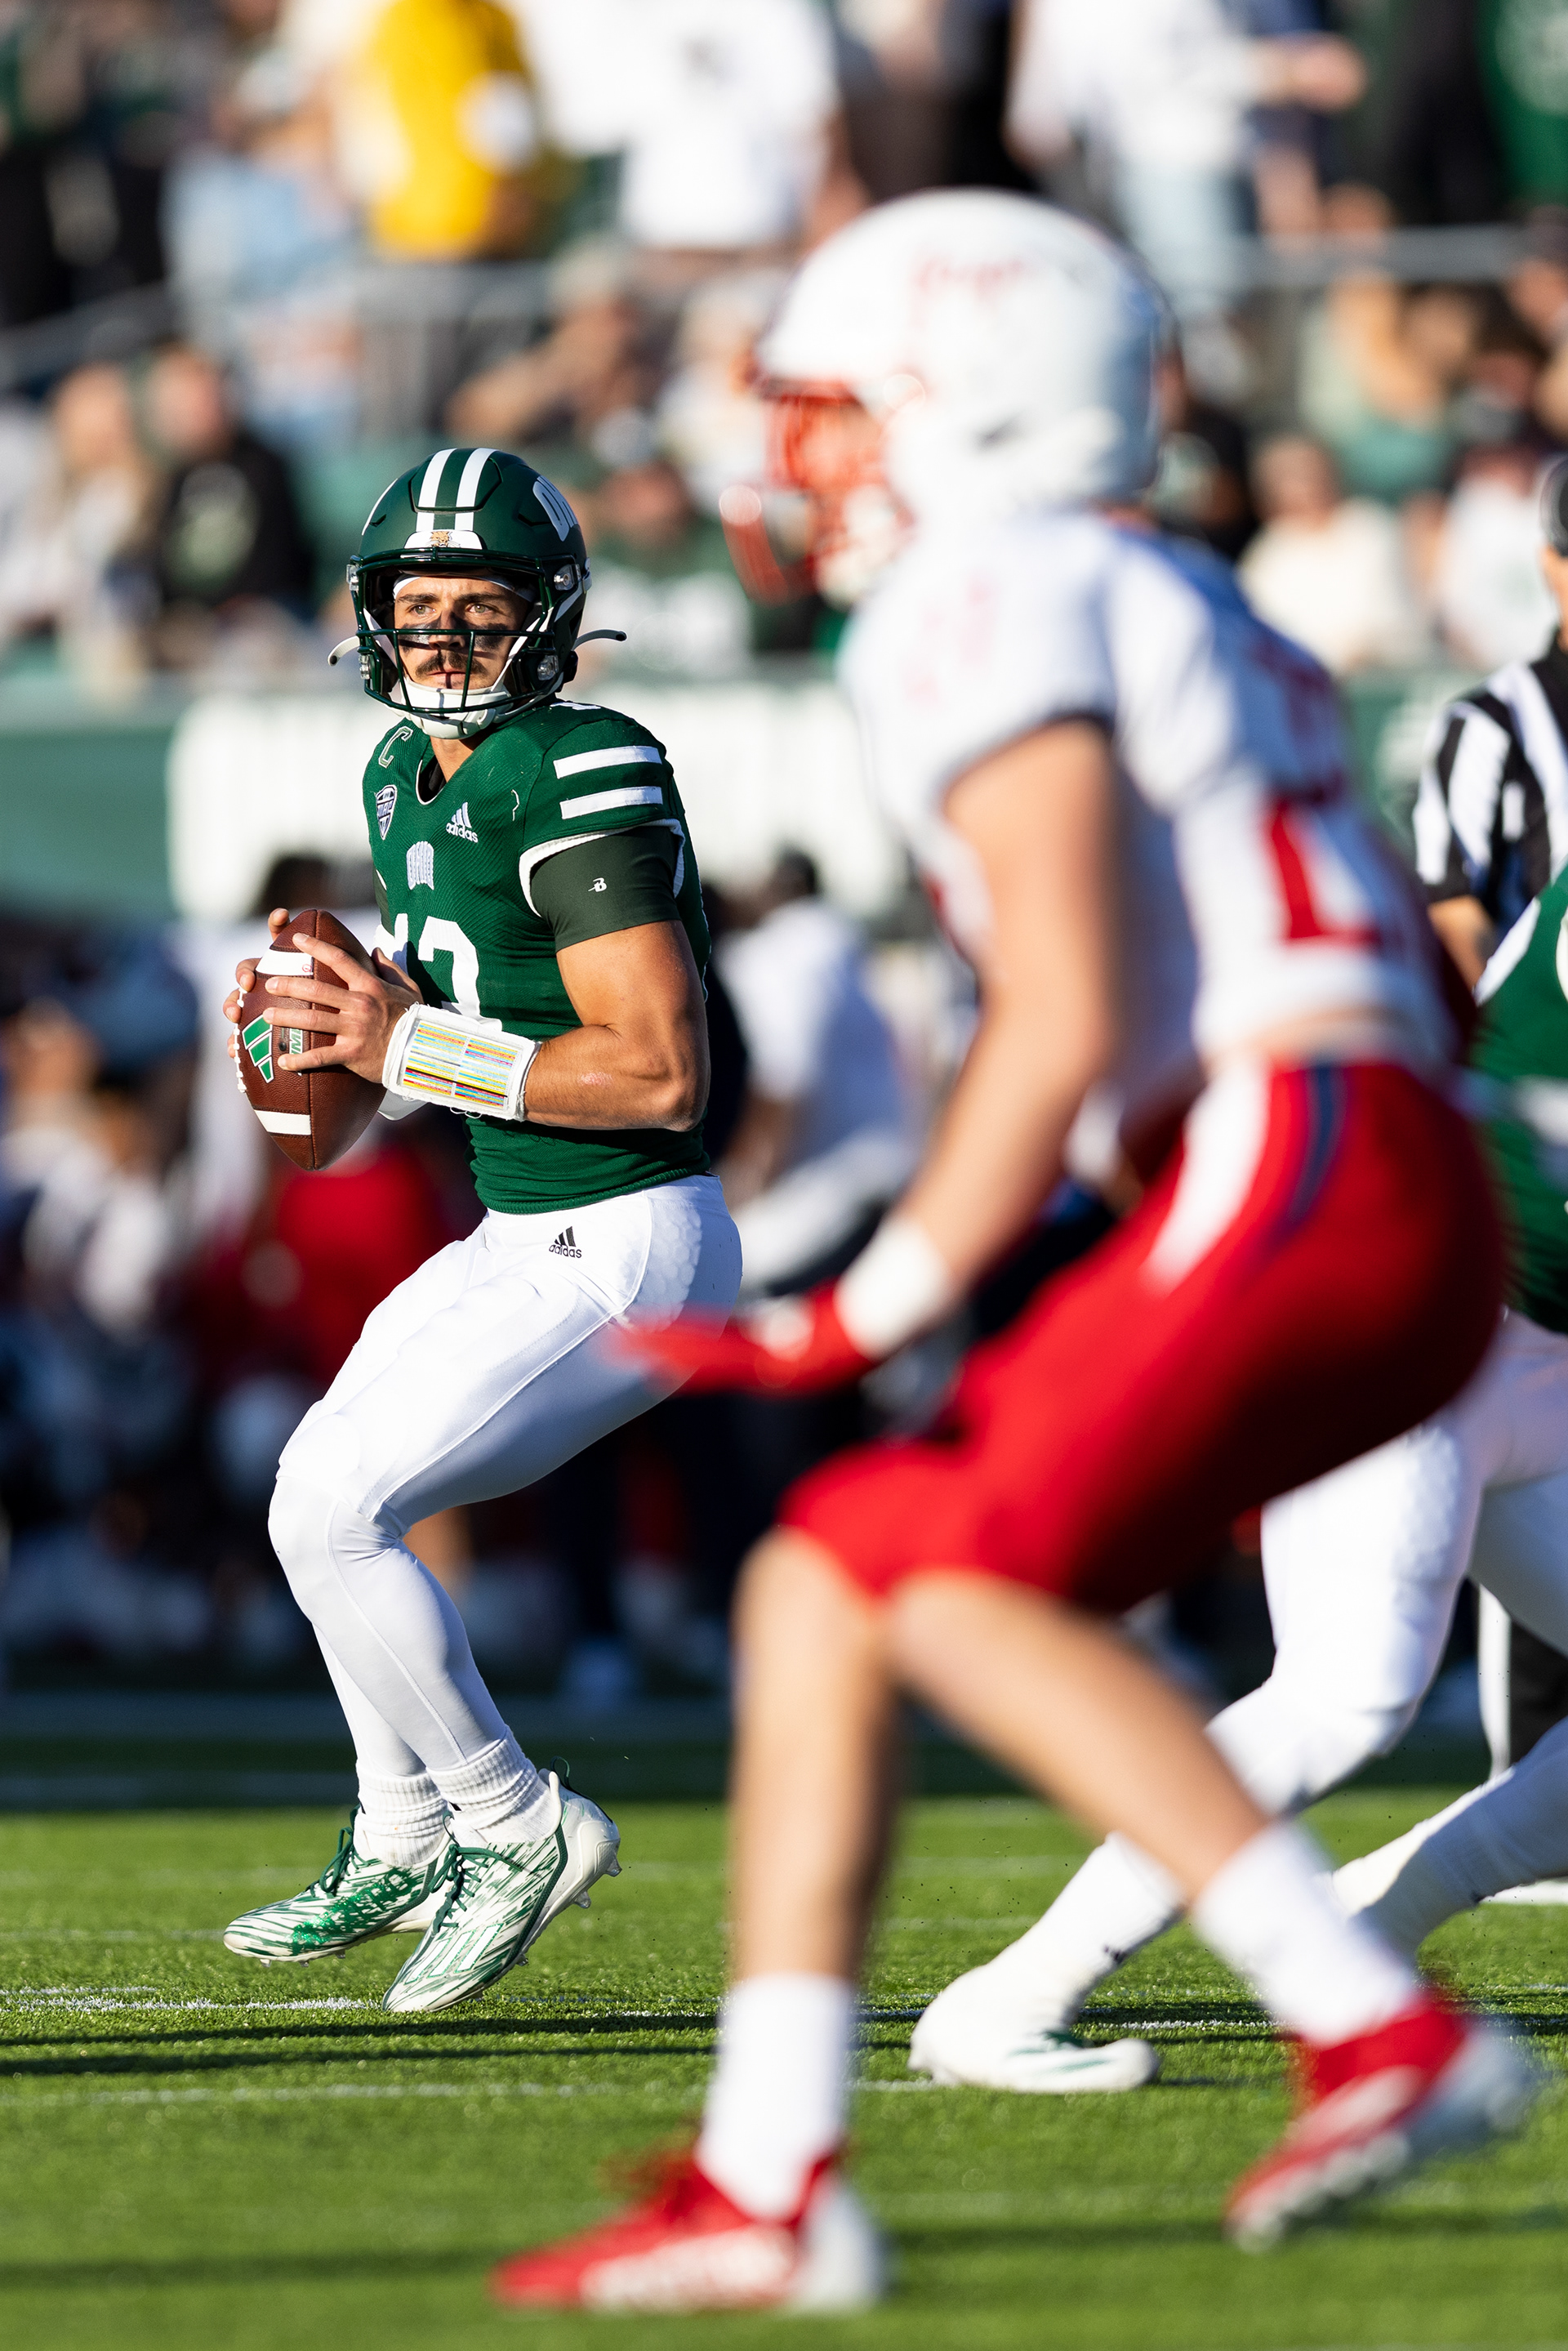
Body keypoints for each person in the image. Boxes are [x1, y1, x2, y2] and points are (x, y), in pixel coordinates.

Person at [490, 195, 1535, 2313]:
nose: (799, 461)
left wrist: (867, 1295)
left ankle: (1379, 2017)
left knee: (927, 1564)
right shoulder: (1180, 587)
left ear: (958, 407)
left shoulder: (986, 588)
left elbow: (1056, 996)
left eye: (837, 413)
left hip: (1303, 1145)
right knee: (828, 1575)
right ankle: (775, 2170)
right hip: (1378, 1158)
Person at [220, 446, 740, 2014]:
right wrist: (325, 1050)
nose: (441, 637)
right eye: (416, 604)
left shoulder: (587, 762)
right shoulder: (399, 777)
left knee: (335, 1512)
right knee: (309, 1490)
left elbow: (657, 1069)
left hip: (631, 1234)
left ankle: (516, 1823)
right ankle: (400, 1828)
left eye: (480, 605)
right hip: (526, 1230)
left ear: (552, 614)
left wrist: (399, 1050)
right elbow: (414, 1042)